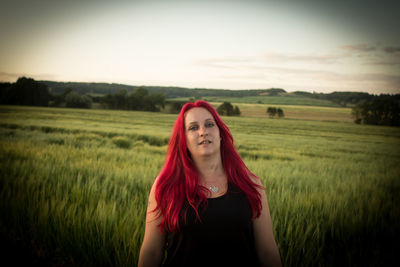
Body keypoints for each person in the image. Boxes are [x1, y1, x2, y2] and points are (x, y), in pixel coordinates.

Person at [138, 100, 281, 267]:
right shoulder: (166, 185)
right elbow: (152, 251)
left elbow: (267, 251)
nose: (202, 132)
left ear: (220, 133)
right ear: (183, 139)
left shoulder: (250, 184)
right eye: (193, 127)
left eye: (209, 124)